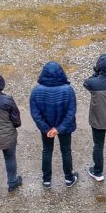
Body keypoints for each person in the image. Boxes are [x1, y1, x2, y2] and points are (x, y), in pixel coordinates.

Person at [29, 61, 79, 189]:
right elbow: (71, 112)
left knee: (47, 150)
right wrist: (59, 129)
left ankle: (46, 180)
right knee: (66, 151)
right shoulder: (68, 90)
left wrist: (47, 129)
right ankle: (69, 178)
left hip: (46, 129)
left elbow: (35, 114)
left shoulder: (36, 91)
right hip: (65, 128)